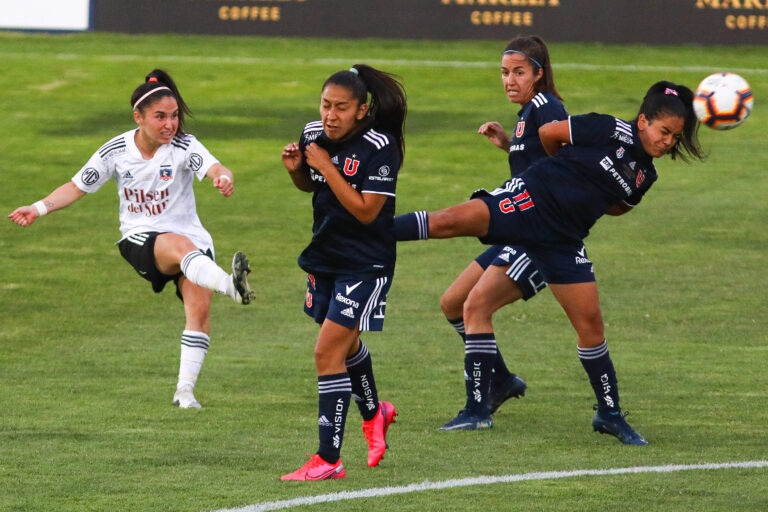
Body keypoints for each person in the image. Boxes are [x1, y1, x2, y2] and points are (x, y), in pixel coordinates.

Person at [394, 81, 705, 445]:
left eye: (674, 137)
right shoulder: (606, 128)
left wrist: (579, 201)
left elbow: (618, 207)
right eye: (664, 131)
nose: (667, 142)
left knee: (590, 323)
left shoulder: (645, 175)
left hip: (563, 239)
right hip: (529, 202)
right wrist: (558, 180)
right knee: (447, 223)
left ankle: (609, 414)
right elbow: (550, 134)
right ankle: (369, 232)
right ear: (642, 122)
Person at [8, 69, 255, 410]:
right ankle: (231, 286)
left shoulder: (185, 145)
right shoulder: (116, 151)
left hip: (190, 237)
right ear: (138, 117)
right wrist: (39, 207)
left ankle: (185, 392)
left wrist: (223, 179)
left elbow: (216, 168)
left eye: (174, 116)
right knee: (177, 245)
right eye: (160, 117)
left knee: (198, 308)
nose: (170, 124)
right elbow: (77, 186)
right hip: (140, 238)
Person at [279, 64, 406, 481]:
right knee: (346, 347)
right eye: (325, 105)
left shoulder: (380, 145)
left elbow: (368, 212)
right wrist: (299, 167)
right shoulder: (313, 134)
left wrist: (326, 166)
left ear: (362, 110)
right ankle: (377, 413)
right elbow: (312, 186)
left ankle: (328, 459)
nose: (330, 115)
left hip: (365, 262)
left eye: (341, 107)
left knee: (326, 352)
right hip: (325, 257)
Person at [438, 36, 568, 431]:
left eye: (519, 72)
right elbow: (542, 165)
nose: (509, 80)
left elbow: (568, 165)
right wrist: (510, 145)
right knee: (453, 302)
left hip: (543, 237)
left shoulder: (546, 107)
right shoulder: (530, 111)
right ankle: (503, 380)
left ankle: (477, 411)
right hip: (519, 232)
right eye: (504, 73)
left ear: (538, 74)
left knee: (476, 308)